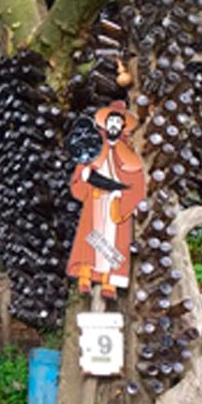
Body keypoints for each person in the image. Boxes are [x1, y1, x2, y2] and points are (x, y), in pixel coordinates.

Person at [68, 101, 145, 299]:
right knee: (89, 239)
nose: (113, 125)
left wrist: (126, 197)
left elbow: (136, 181)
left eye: (117, 122)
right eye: (110, 121)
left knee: (115, 242)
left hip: (116, 202)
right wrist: (85, 177)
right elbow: (81, 175)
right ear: (105, 123)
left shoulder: (128, 153)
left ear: (122, 126)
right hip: (95, 198)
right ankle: (85, 276)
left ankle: (109, 282)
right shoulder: (94, 148)